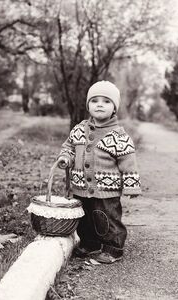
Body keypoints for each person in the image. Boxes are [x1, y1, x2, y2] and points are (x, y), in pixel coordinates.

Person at [56, 80, 142, 264]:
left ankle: (114, 247)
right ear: (88, 106)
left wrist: (131, 186)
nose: (100, 104)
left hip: (107, 189)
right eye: (95, 101)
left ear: (114, 108)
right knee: (85, 217)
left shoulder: (119, 136)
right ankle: (90, 243)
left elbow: (128, 161)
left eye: (106, 101)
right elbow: (69, 147)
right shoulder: (78, 130)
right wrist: (66, 158)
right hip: (81, 186)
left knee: (107, 218)